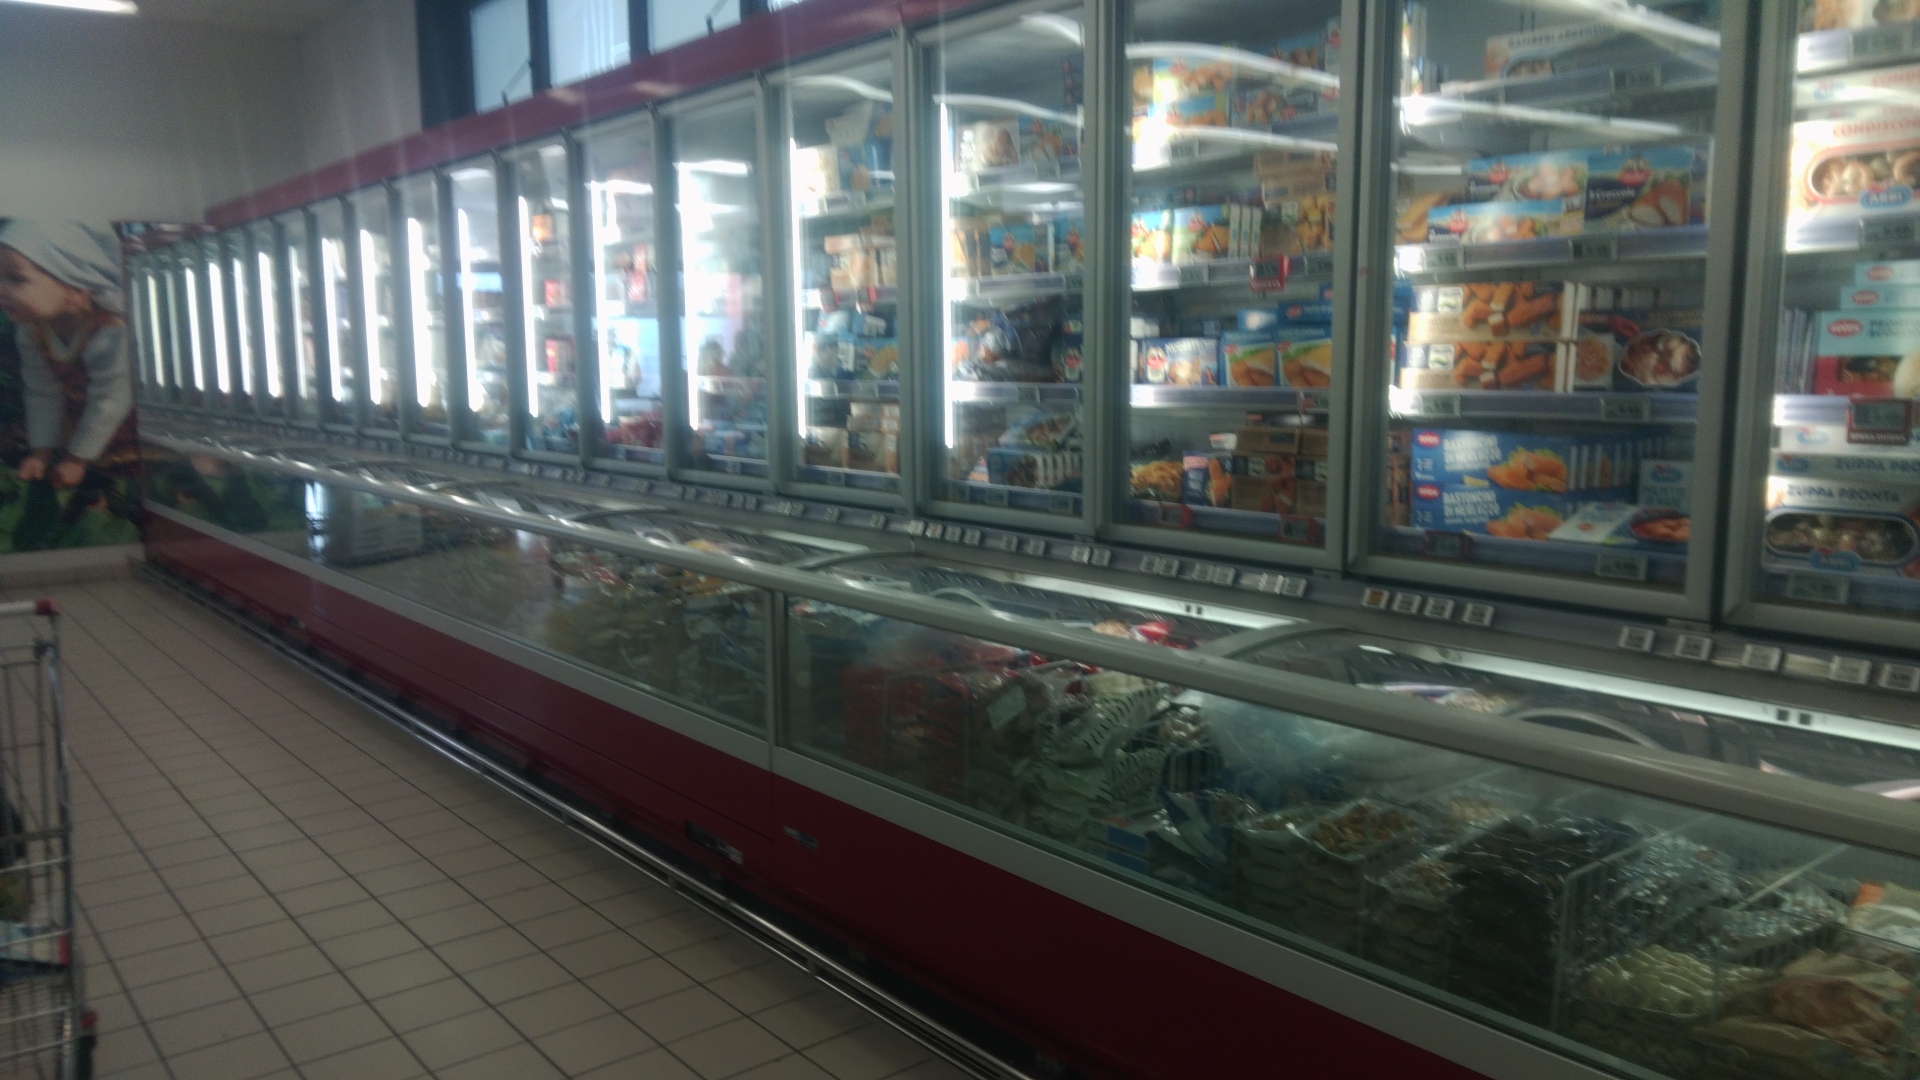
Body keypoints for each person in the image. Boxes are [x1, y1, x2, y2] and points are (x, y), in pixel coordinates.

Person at [0, 220, 137, 492]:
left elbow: (111, 399)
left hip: (128, 426)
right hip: (85, 423)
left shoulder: (111, 330)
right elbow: (42, 390)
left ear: (76, 282)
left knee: (128, 486)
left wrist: (76, 459)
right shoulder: (32, 329)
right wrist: (41, 452)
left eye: (16, 279)